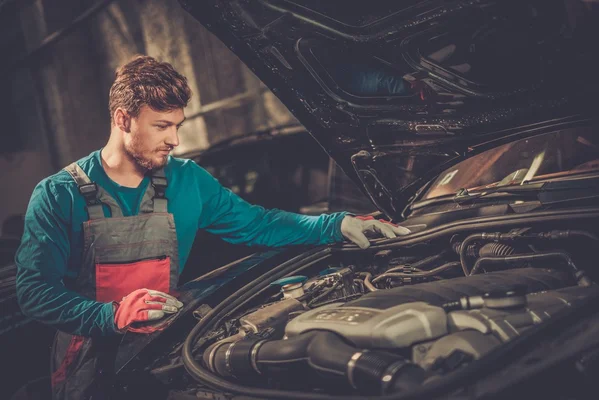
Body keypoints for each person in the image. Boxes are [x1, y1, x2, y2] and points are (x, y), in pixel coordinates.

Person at [14, 55, 410, 400]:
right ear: (122, 119)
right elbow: (34, 291)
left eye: (178, 125)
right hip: (86, 352)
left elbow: (258, 224)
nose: (175, 139)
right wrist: (109, 316)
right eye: (162, 126)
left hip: (160, 341)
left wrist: (334, 224)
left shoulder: (187, 180)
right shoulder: (58, 194)